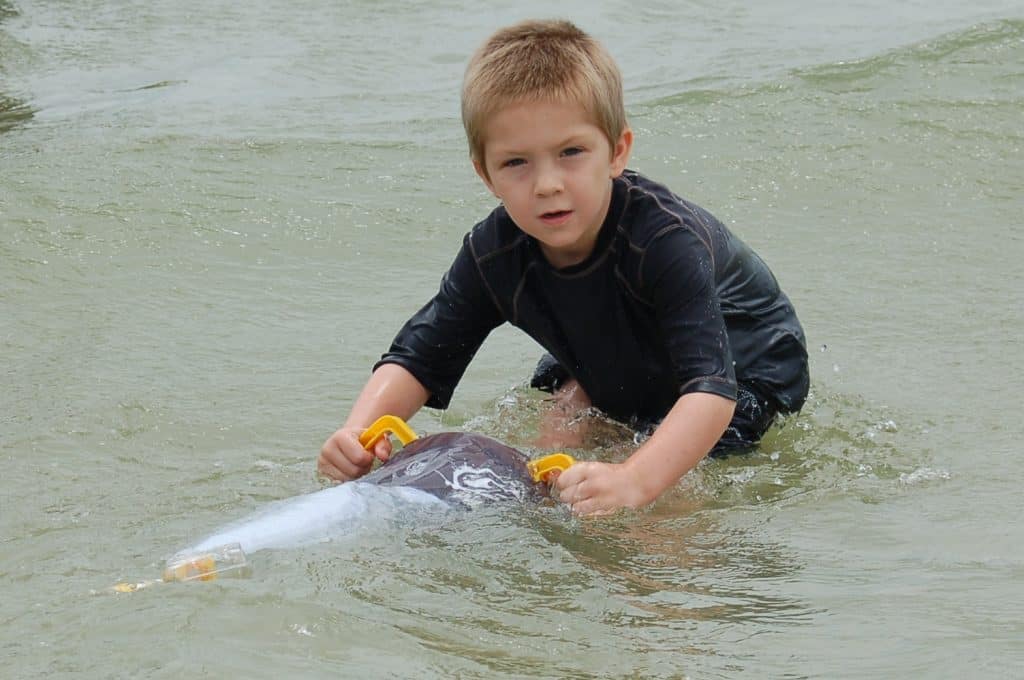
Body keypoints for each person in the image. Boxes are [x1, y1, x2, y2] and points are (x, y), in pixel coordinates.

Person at [318, 19, 809, 516]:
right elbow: (419, 356)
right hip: (622, 344)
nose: (547, 184)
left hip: (745, 366)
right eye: (516, 163)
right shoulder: (494, 254)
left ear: (616, 152)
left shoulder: (665, 242)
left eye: (571, 153)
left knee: (654, 495)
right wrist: (357, 431)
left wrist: (634, 481)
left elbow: (711, 392)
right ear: (485, 174)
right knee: (560, 427)